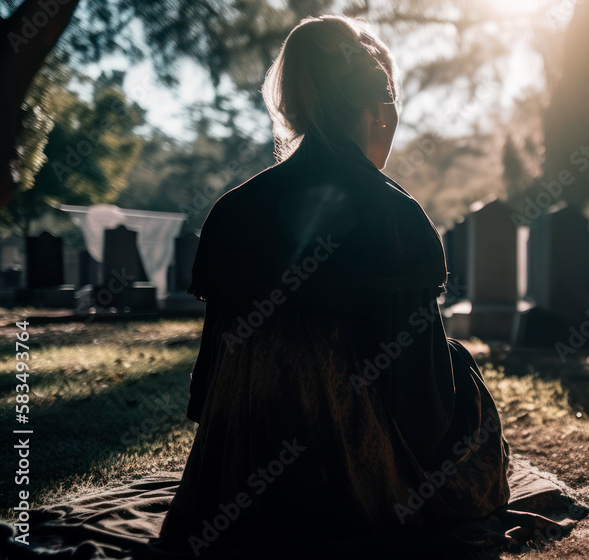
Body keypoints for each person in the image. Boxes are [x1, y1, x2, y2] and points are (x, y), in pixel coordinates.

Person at [158, 14, 510, 554]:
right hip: (354, 487)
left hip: (229, 485)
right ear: (379, 112)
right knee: (461, 376)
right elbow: (422, 404)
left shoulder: (232, 212)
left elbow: (206, 390)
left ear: (294, 103)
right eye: (389, 109)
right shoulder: (395, 216)